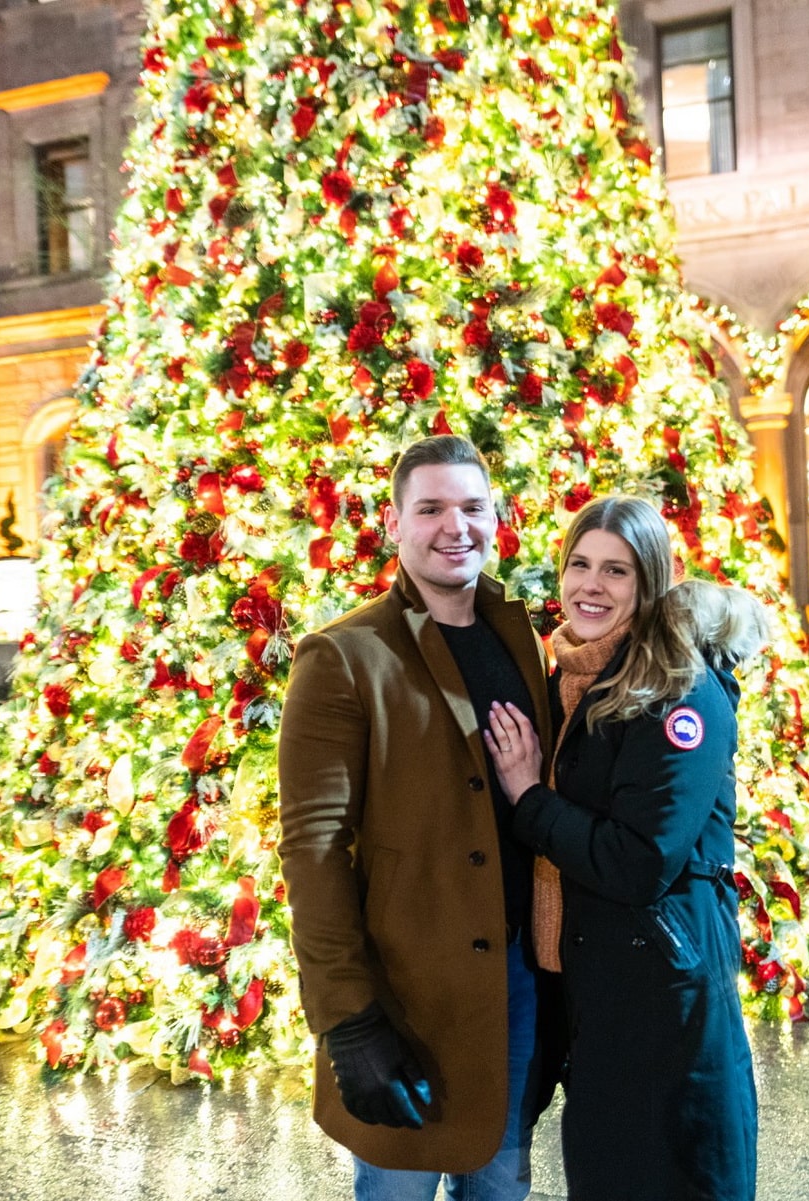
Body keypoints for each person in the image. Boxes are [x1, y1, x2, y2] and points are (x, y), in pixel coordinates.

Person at [277, 435, 557, 1201]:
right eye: (430, 507)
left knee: (502, 1184)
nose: (453, 526)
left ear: (495, 518)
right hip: (408, 991)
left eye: (471, 506)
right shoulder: (342, 654)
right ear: (395, 524)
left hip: (516, 982)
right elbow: (314, 848)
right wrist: (347, 1019)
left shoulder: (516, 633)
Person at [483, 496, 767, 1201]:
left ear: (652, 582)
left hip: (661, 992)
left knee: (669, 1173)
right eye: (579, 564)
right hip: (601, 984)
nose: (591, 585)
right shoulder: (572, 680)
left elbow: (640, 859)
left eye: (616, 570)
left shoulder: (678, 692)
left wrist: (528, 796)